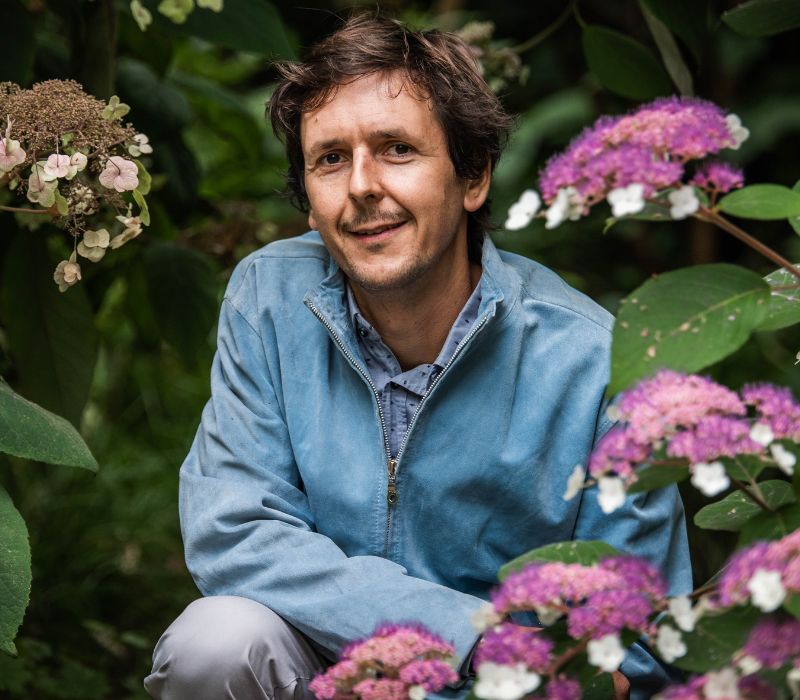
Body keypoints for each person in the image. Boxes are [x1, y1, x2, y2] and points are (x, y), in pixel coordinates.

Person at [144, 13, 691, 700]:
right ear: (309, 205)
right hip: (329, 671)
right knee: (215, 642)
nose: (363, 186)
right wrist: (469, 633)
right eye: (331, 158)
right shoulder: (267, 296)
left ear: (472, 177)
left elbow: (636, 646)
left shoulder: (595, 361)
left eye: (397, 148)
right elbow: (234, 530)